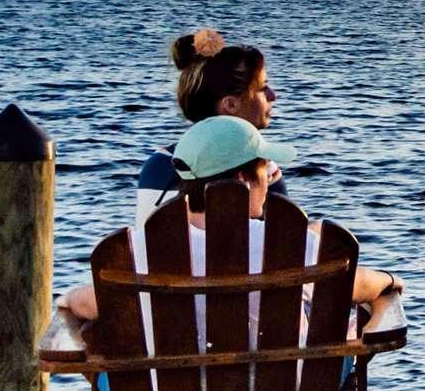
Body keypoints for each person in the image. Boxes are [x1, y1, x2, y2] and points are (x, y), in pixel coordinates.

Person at [62, 114, 400, 330]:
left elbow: (85, 303)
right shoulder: (292, 244)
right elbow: (357, 284)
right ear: (241, 180)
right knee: (345, 327)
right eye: (265, 170)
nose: (270, 180)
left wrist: (67, 298)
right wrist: (389, 279)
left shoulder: (138, 252)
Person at [131, 30, 277, 229]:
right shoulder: (257, 169)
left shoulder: (157, 166)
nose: (273, 95)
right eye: (262, 88)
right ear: (230, 105)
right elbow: (289, 245)